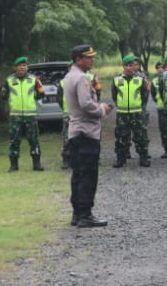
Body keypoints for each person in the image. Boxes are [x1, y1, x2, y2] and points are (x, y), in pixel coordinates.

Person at [62, 44, 113, 226]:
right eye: (88, 57)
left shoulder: (69, 76)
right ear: (78, 59)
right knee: (88, 175)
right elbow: (86, 104)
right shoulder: (82, 77)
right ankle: (85, 215)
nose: (92, 60)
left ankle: (77, 214)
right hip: (86, 131)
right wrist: (103, 110)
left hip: (75, 131)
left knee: (78, 174)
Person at [3, 57, 47, 172]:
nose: (22, 67)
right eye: (20, 65)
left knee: (34, 140)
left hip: (30, 115)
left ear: (27, 67)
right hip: (15, 116)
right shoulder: (9, 80)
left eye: (24, 65)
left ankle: (37, 164)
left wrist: (32, 100)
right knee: (14, 140)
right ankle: (13, 165)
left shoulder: (34, 79)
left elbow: (42, 93)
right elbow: (3, 95)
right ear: (15, 67)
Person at [111, 54, 152, 168]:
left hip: (137, 113)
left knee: (140, 136)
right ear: (123, 66)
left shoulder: (140, 79)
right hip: (122, 113)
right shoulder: (116, 79)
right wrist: (121, 104)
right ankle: (120, 158)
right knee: (121, 136)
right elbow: (114, 95)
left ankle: (143, 158)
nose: (129, 68)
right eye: (127, 65)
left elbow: (145, 96)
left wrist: (138, 105)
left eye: (131, 65)